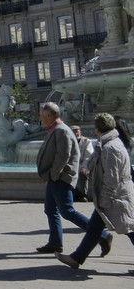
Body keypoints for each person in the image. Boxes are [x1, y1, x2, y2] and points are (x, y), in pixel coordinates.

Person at [56, 113, 134, 270]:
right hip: (114, 195)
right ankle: (76, 258)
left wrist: (106, 198)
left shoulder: (111, 148)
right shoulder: (110, 143)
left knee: (129, 228)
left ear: (98, 129)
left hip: (113, 197)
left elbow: (111, 178)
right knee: (95, 227)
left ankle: (77, 258)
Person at [34, 102, 110, 254]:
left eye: (42, 116)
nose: (40, 119)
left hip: (61, 178)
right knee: (50, 210)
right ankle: (55, 242)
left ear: (50, 116)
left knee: (67, 211)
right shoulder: (54, 129)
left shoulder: (61, 130)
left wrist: (54, 175)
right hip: (54, 178)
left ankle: (103, 236)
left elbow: (63, 155)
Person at [72, 125, 94, 202]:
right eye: (73, 131)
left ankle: (83, 195)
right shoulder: (67, 140)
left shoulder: (86, 141)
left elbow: (88, 156)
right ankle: (73, 194)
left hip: (83, 164)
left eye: (77, 131)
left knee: (83, 173)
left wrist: (84, 166)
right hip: (72, 164)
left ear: (80, 132)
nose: (75, 133)